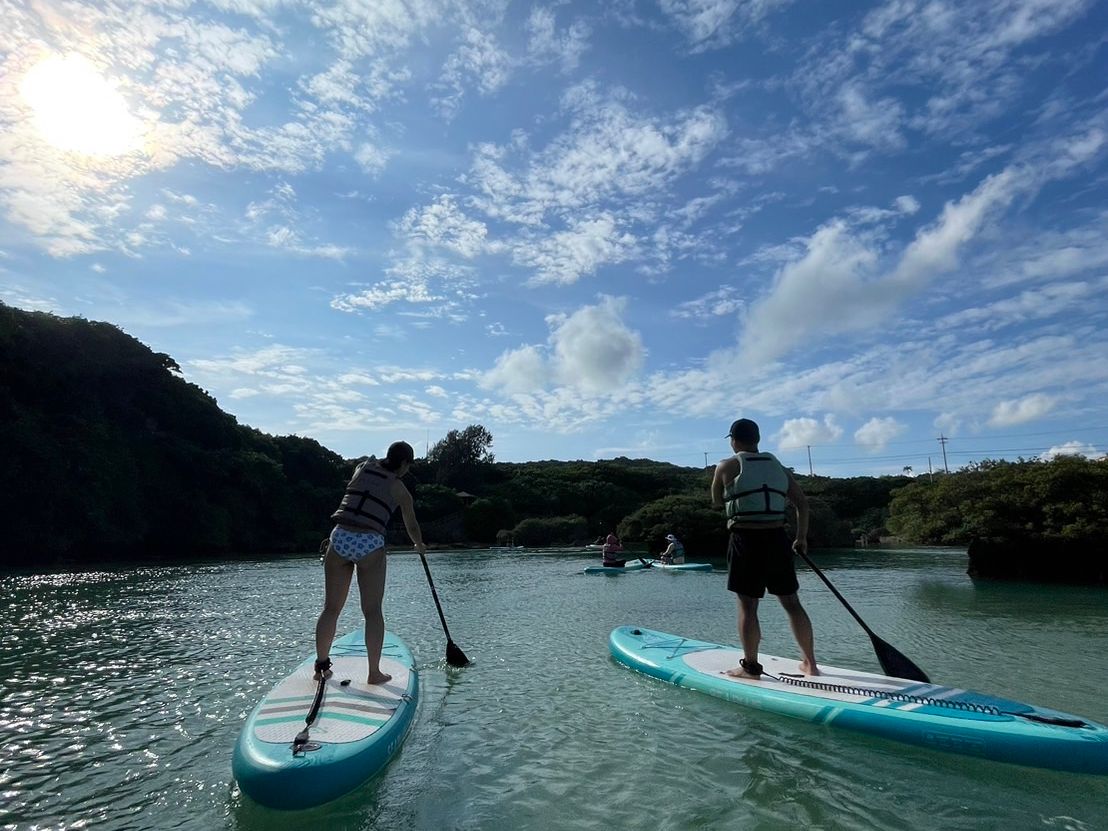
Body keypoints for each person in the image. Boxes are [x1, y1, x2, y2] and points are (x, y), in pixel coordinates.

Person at [710, 418, 818, 679]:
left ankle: (751, 667)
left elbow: (716, 502)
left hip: (745, 540)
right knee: (792, 602)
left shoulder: (726, 466)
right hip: (778, 539)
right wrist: (801, 537)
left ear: (734, 440)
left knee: (748, 606)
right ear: (757, 439)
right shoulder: (779, 467)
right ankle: (810, 664)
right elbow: (802, 504)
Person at [314, 441, 427, 685]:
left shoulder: (362, 467)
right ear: (404, 463)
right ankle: (374, 673)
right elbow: (411, 524)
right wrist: (419, 544)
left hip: (340, 538)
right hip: (369, 543)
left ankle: (321, 667)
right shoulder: (399, 488)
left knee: (331, 608)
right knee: (372, 610)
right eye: (409, 465)